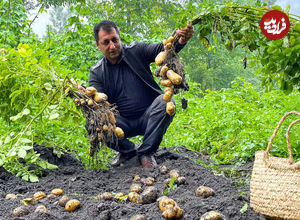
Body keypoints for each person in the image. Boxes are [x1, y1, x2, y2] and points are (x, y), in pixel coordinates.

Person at [88, 20, 194, 169]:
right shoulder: (97, 72)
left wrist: (179, 40)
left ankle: (146, 153)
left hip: (149, 115)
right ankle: (128, 152)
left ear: (119, 38)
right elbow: (97, 103)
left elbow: (161, 49)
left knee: (166, 103)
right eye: (106, 42)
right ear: (98, 45)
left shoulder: (135, 50)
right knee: (96, 120)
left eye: (114, 40)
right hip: (121, 124)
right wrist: (84, 98)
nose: (112, 46)